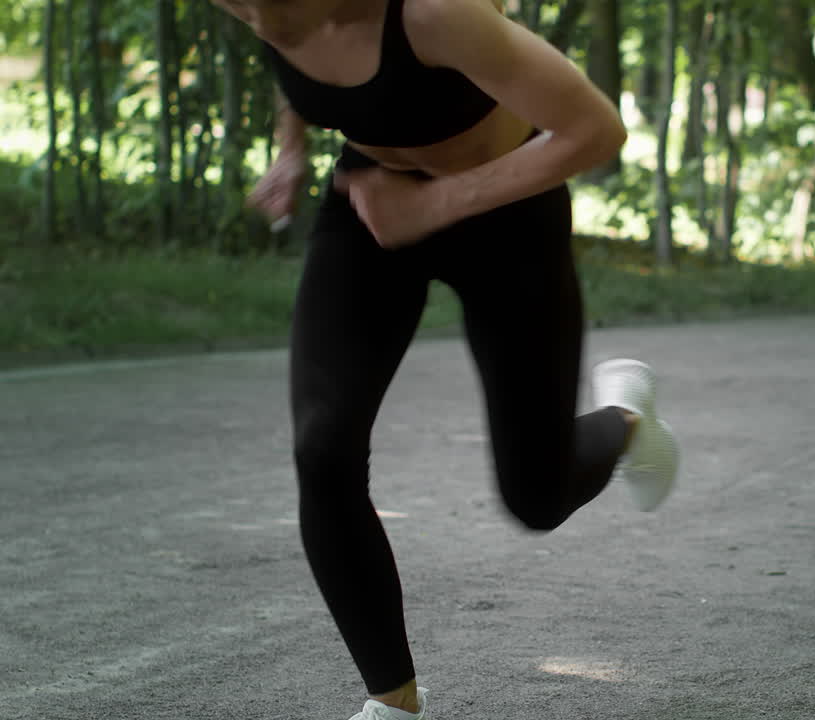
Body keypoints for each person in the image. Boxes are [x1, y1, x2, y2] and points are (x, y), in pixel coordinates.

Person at [208, 1, 681, 718]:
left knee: (538, 495)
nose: (244, 12)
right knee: (324, 446)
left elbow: (596, 129)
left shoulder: (435, 13)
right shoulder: (262, 10)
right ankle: (391, 703)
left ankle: (627, 420)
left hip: (507, 214)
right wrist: (292, 149)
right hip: (372, 201)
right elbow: (302, 74)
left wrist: (437, 207)